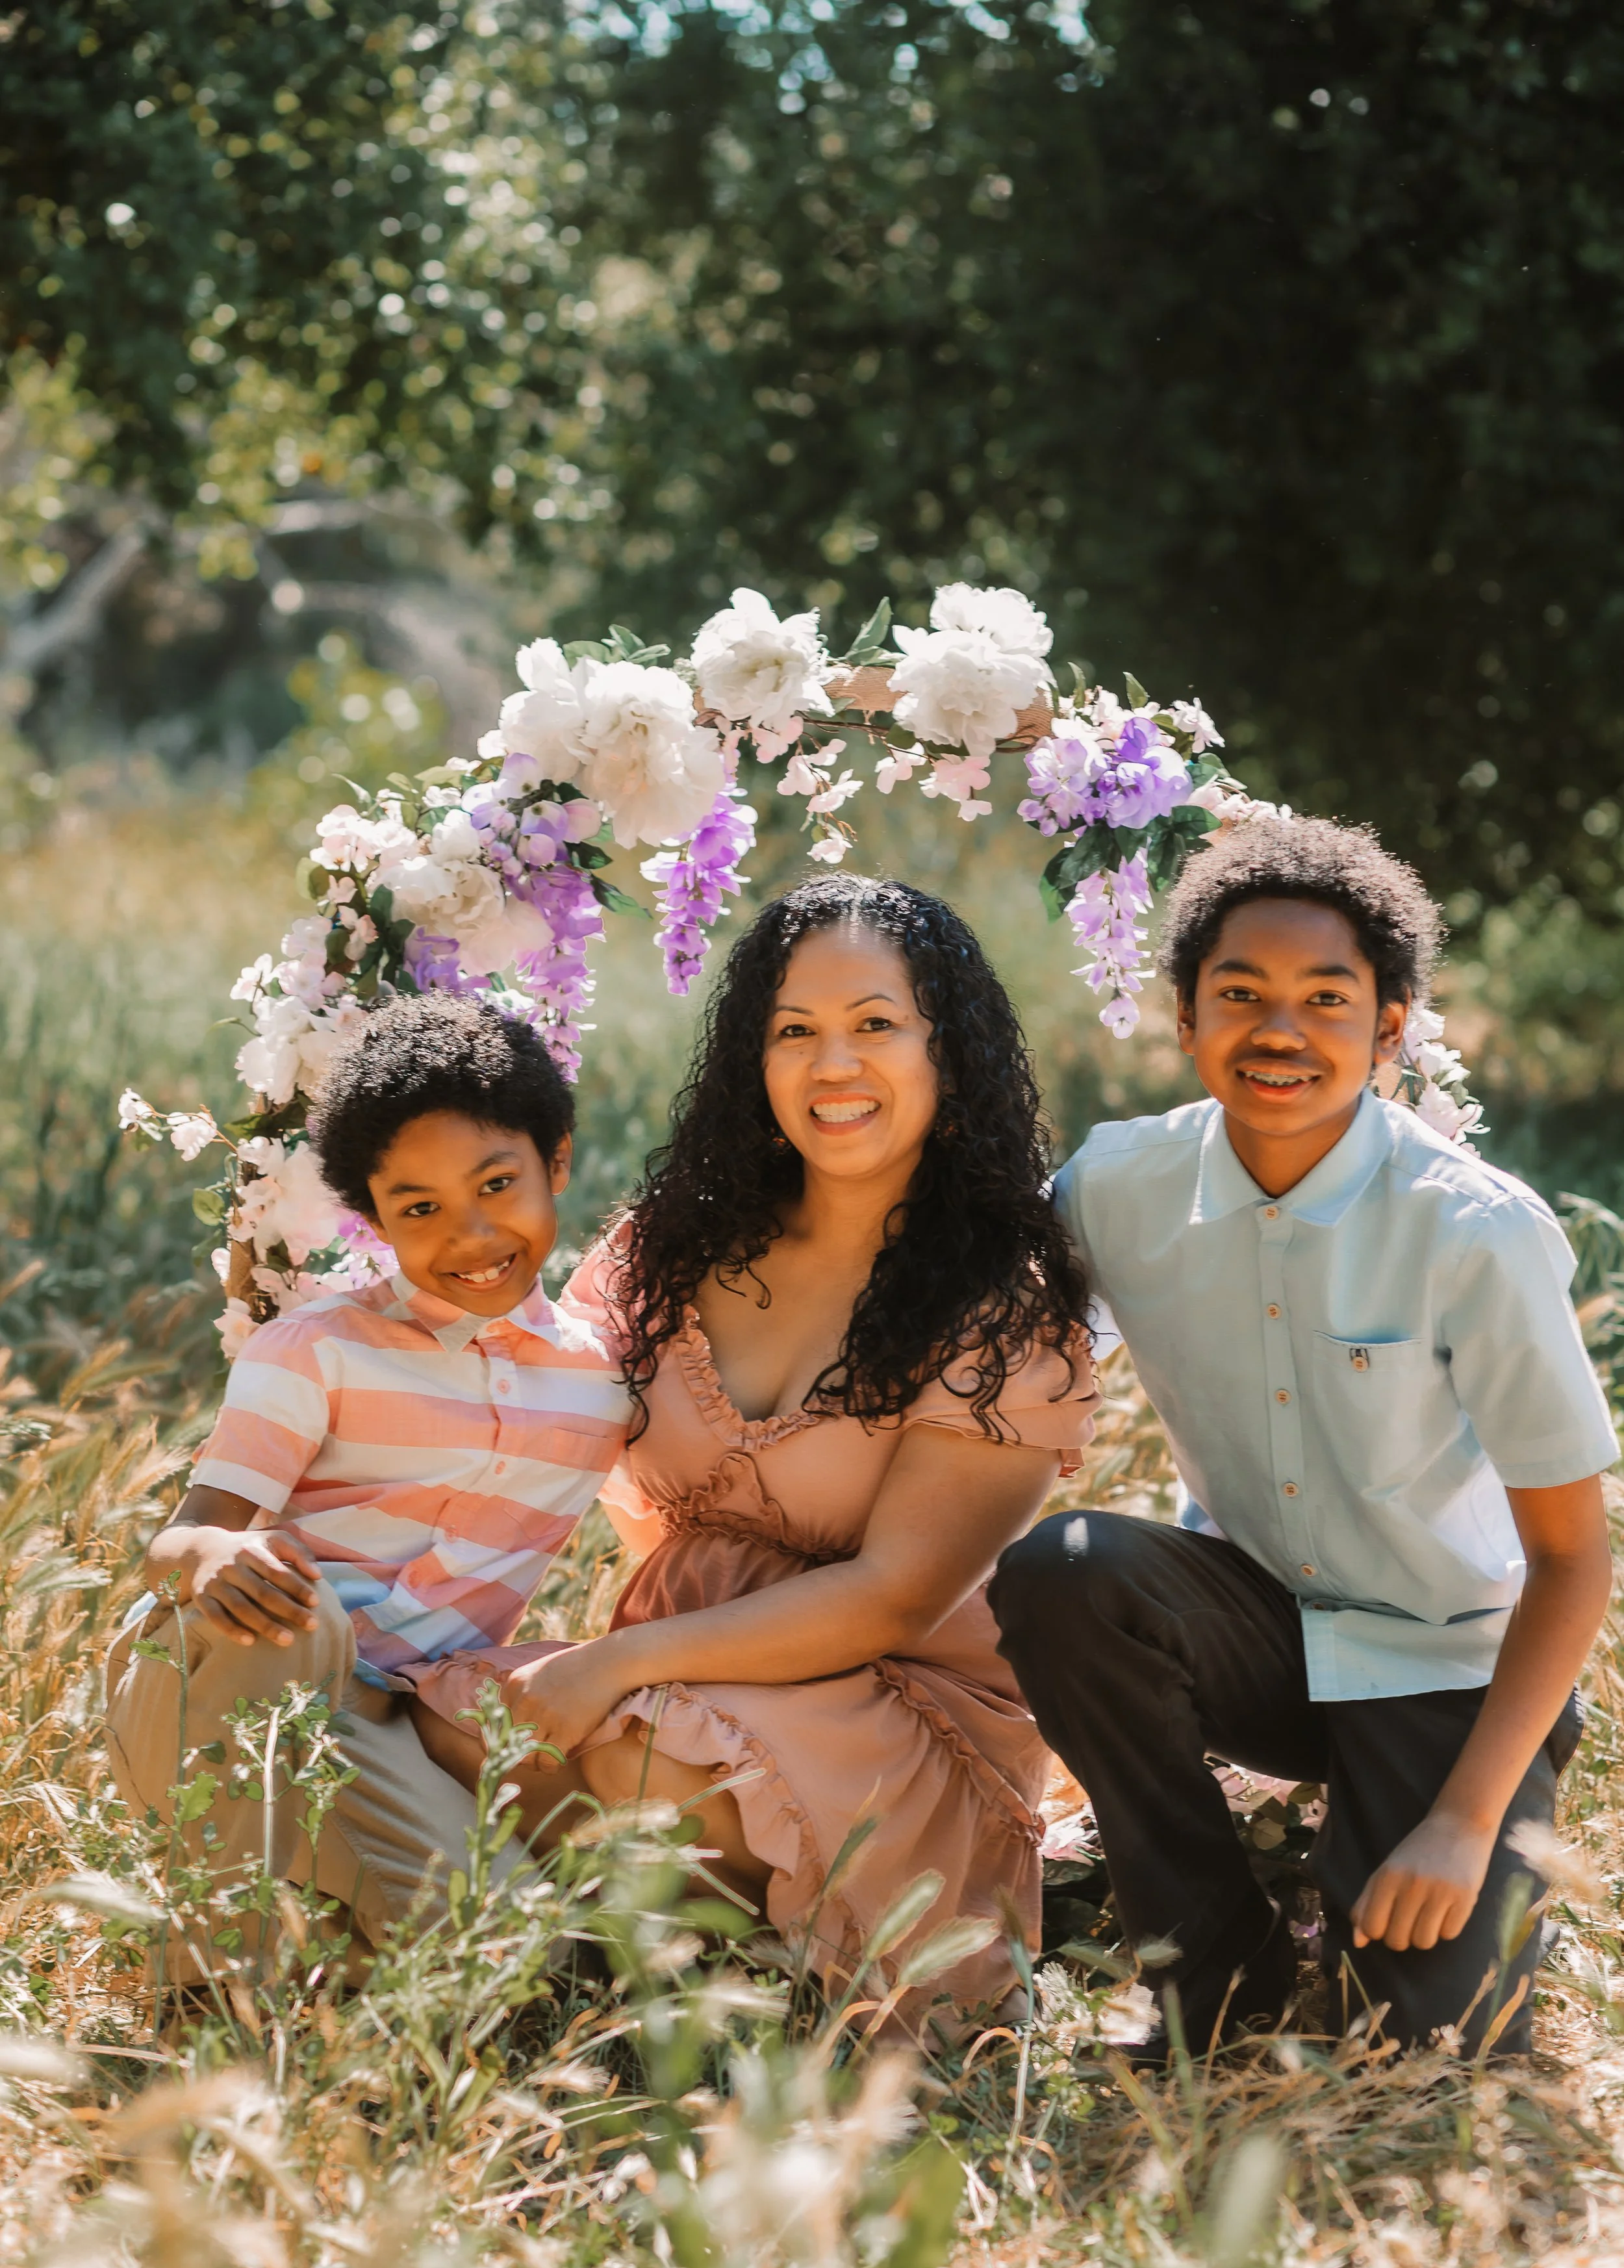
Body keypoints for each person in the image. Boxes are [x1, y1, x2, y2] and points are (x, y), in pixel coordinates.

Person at [409, 875, 1097, 2025]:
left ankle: (703, 1952)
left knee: (635, 1771)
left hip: (888, 1699)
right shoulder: (672, 1245)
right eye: (795, 1031)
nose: (834, 1066)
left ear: (949, 1049)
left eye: (876, 1024)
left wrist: (612, 1664)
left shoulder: (999, 1300)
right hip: (680, 1674)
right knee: (430, 1708)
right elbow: (527, 1420)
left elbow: (891, 1598)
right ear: (752, 1056)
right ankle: (666, 1952)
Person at [989, 818, 1618, 2059]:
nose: (1280, 1030)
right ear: (1182, 1016)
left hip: (1449, 1666)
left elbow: (1572, 1561)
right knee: (1064, 1572)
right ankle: (1216, 1967)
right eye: (1241, 993)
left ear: (1390, 1030)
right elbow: (994, 1358)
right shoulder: (1117, 1185)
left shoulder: (1476, 1233)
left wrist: (1464, 1822)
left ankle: (1391, 1854)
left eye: (1327, 998)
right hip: (1256, 1638)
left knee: (1434, 2048)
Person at [103, 995, 629, 1984]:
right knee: (298, 1616)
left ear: (557, 1161)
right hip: (221, 1681)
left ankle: (328, 1937)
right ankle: (209, 1988)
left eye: (498, 1184)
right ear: (376, 1221)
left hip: (388, 1726)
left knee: (529, 1964)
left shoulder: (605, 1383)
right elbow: (180, 1542)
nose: (471, 1234)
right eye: (419, 1209)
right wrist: (221, 1555)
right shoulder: (316, 1349)